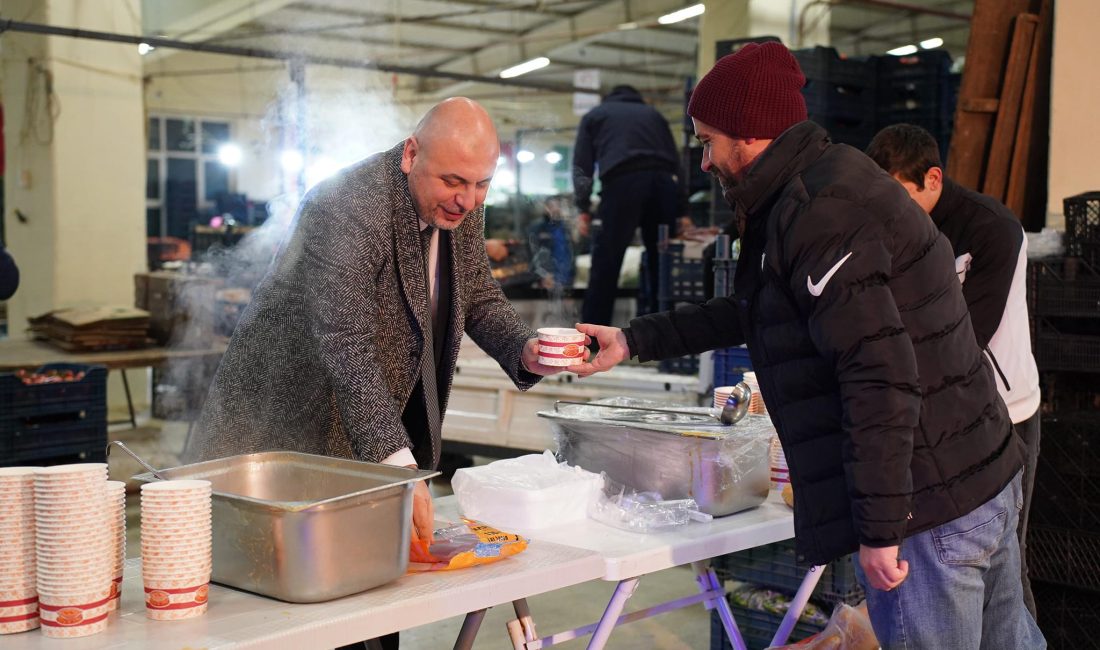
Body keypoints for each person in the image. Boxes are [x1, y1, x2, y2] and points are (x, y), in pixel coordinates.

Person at [572, 43, 1044, 649]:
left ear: (748, 135)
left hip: (930, 507)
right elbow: (763, 308)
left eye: (709, 139)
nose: (705, 159)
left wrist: (880, 528)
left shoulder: (820, 214)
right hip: (979, 472)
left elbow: (881, 378)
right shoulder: (818, 183)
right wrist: (633, 339)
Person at [184, 98, 567, 649]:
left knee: (374, 603)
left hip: (370, 419)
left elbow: (477, 296)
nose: (468, 200)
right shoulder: (347, 206)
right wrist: (398, 470)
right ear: (411, 153)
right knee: (298, 613)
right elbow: (346, 344)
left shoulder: (455, 198)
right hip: (291, 427)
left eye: (482, 184)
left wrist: (525, 350)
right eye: (455, 181)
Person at [866, 123, 1042, 617]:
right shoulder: (894, 228)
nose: (889, 211)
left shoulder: (992, 229)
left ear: (934, 179)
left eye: (900, 196)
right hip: (932, 416)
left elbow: (964, 339)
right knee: (941, 563)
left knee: (1003, 564)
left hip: (1003, 414)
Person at [571, 84, 681, 325]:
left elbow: (582, 165)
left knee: (606, 261)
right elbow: (676, 160)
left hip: (623, 183)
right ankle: (661, 335)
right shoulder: (654, 115)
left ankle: (593, 337)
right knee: (661, 261)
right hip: (663, 184)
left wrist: (583, 207)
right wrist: (683, 210)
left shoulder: (596, 115)